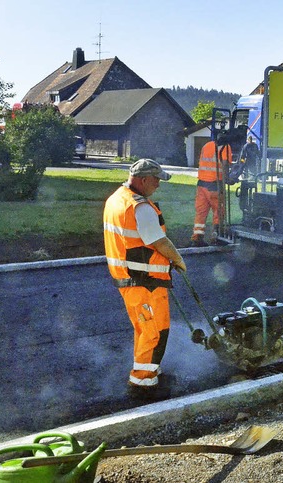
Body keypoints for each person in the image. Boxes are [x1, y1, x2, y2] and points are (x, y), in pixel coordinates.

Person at [103, 158, 187, 400]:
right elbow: (158, 241)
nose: (158, 185)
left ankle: (151, 372)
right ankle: (142, 385)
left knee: (150, 328)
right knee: (153, 332)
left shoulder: (117, 199)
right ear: (143, 180)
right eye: (156, 180)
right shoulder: (140, 207)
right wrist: (178, 259)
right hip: (144, 279)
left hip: (131, 278)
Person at [191, 139, 233, 246]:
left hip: (201, 184)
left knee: (201, 212)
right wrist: (227, 179)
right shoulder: (225, 147)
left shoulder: (206, 145)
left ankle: (197, 238)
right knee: (218, 211)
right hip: (215, 184)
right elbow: (224, 164)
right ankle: (217, 236)